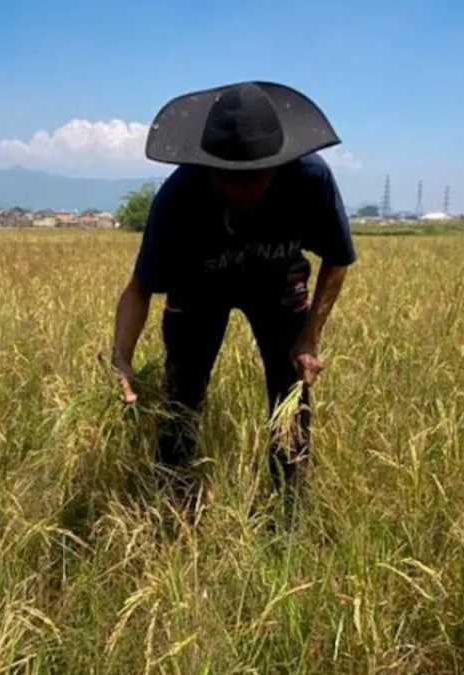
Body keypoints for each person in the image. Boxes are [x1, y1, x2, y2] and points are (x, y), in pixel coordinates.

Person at [109, 80, 357, 512]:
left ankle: (289, 511)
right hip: (199, 283)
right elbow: (140, 286)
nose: (238, 192)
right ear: (208, 165)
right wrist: (121, 359)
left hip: (276, 282)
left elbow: (337, 258)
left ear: (276, 164)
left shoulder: (309, 178)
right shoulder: (179, 194)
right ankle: (173, 508)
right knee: (180, 394)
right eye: (226, 179)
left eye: (252, 180)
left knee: (292, 396)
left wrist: (310, 338)